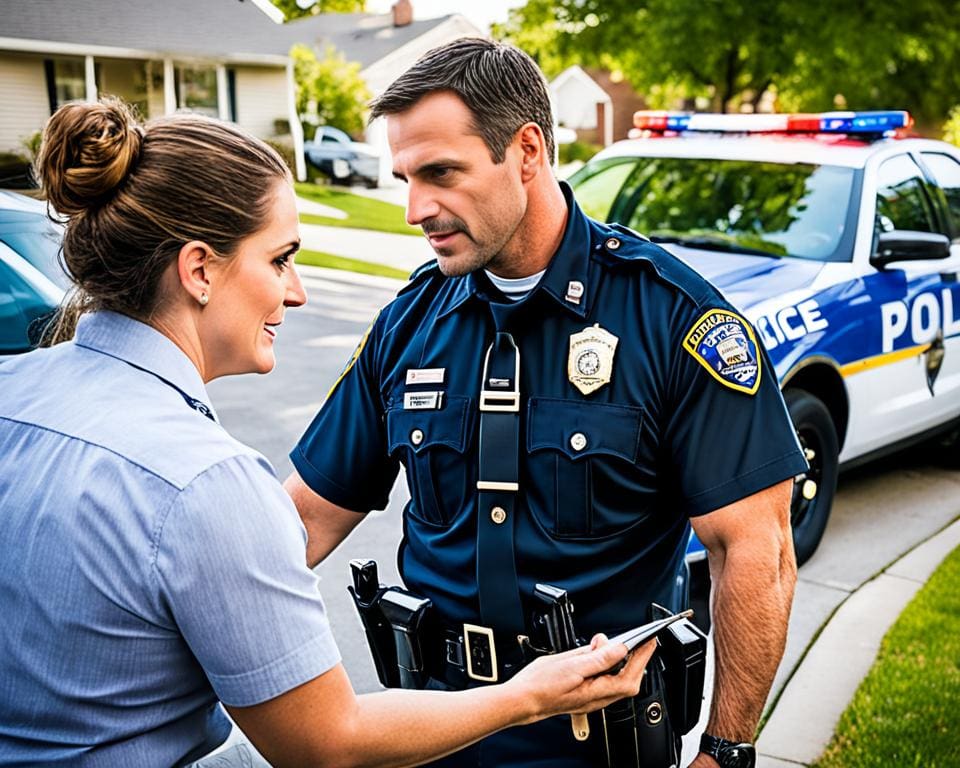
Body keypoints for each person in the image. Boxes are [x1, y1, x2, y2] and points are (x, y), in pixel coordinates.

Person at [0, 98, 652, 767]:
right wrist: (531, 696)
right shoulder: (205, 483)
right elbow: (327, 744)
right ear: (199, 270)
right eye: (280, 259)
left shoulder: (9, 391)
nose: (298, 292)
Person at [285, 37, 807, 768]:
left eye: (440, 173)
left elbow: (755, 547)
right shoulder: (410, 323)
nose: (414, 209)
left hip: (597, 745)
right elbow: (304, 516)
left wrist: (724, 752)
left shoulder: (673, 320)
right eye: (405, 177)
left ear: (526, 151)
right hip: (429, 734)